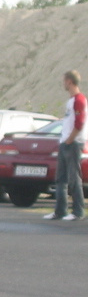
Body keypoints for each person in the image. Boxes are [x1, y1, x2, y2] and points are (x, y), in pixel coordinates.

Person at [44, 70, 87, 220]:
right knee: (60, 178)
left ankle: (78, 211)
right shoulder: (70, 101)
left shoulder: (79, 100)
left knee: (74, 178)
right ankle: (60, 210)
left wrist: (70, 140)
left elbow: (80, 123)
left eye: (64, 81)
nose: (63, 84)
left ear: (69, 81)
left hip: (74, 143)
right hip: (65, 143)